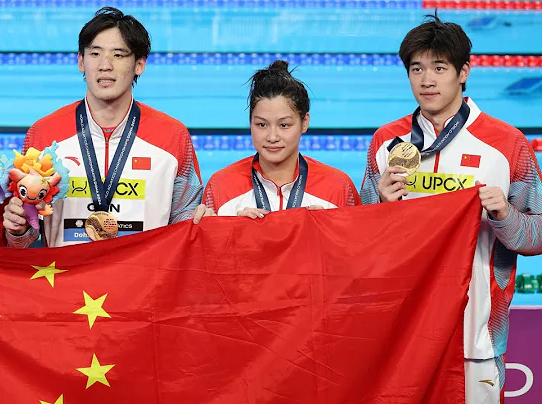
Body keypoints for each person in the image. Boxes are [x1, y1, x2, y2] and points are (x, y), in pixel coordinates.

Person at [361, 13, 542, 403]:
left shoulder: (507, 144)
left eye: (439, 68)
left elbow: (537, 236)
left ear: (464, 72)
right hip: (400, 333)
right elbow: (360, 241)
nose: (427, 79)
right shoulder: (385, 142)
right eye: (417, 68)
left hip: (477, 335)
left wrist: (504, 217)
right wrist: (379, 207)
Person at [2, 7, 204, 247]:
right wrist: (18, 229)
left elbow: (187, 226)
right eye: (95, 53)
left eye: (118, 55)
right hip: (67, 279)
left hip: (144, 280)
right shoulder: (44, 134)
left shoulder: (172, 136)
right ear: (81, 61)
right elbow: (23, 241)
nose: (105, 65)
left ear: (139, 64)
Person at [200, 60, 360, 219]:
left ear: (304, 123)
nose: (272, 137)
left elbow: (360, 243)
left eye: (284, 125)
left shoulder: (338, 187)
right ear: (250, 123)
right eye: (262, 124)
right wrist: (233, 231)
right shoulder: (221, 186)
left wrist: (328, 231)